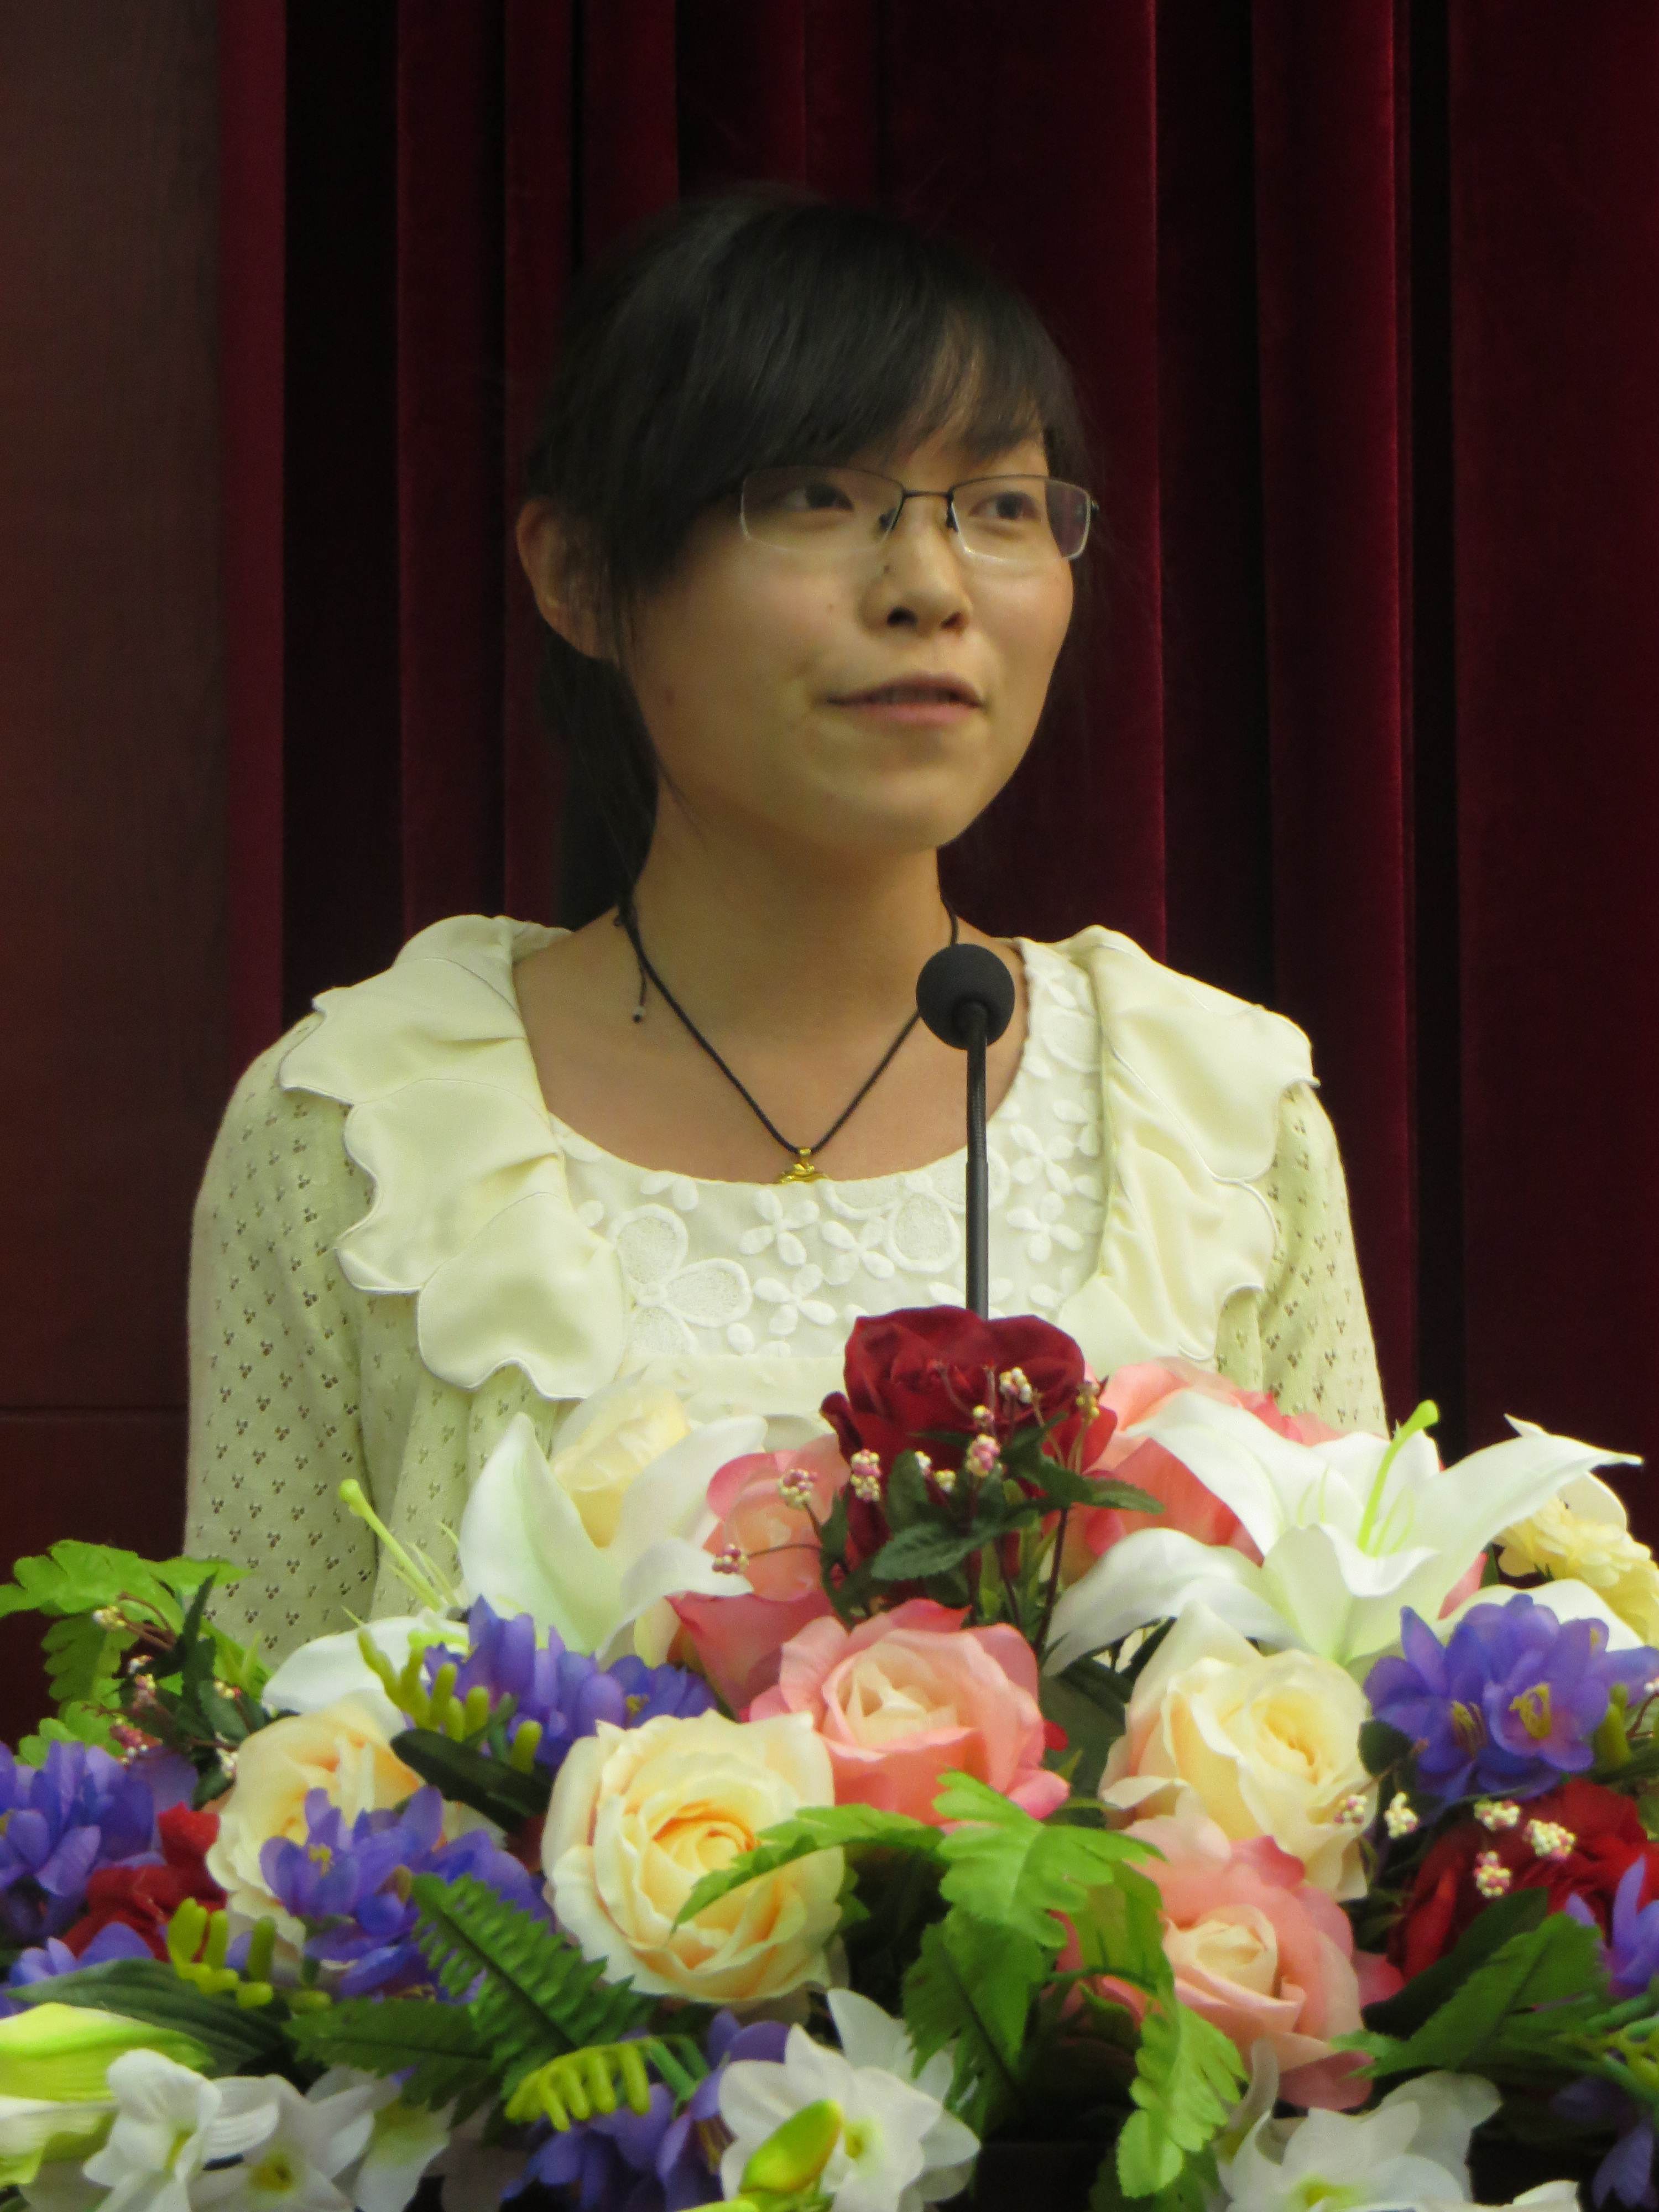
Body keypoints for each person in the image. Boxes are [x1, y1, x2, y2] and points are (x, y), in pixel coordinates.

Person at [184, 192, 1385, 1660]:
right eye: (818, 497)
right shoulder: (360, 1134)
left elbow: (1361, 1712)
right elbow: (237, 1752)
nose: (931, 588)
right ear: (578, 577)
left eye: (1004, 509)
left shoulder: (1219, 1119)